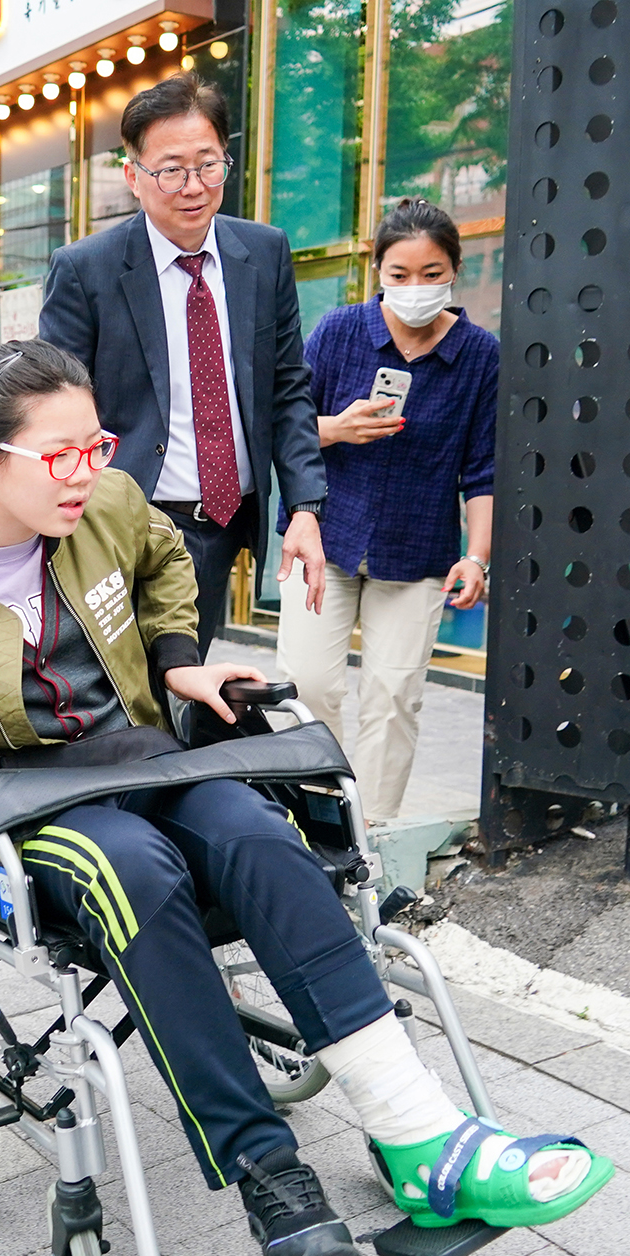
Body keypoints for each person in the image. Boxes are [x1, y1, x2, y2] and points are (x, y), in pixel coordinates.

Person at [0, 340, 613, 1256]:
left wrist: (178, 657)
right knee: (136, 871)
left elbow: (163, 565)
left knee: (265, 839)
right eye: (58, 455)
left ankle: (419, 1134)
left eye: (94, 444)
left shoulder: (107, 505)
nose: (86, 472)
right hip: (22, 794)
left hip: (144, 749)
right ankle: (271, 1178)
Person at [39, 73, 327, 654]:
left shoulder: (264, 252)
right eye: (171, 169)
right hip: (125, 523)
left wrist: (305, 506)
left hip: (224, 521)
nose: (192, 186)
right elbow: (55, 405)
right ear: (133, 176)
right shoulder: (85, 269)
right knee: (128, 688)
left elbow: (287, 388)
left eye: (209, 164)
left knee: (187, 685)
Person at [274, 199, 498, 821]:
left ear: (454, 271)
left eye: (432, 274)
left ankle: (371, 834)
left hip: (417, 549)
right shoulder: (339, 333)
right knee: (308, 688)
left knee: (394, 697)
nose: (416, 288)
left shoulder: (481, 355)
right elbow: (286, 430)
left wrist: (476, 556)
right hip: (322, 536)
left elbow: (483, 469)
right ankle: (316, 819)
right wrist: (336, 428)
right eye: (400, 274)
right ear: (378, 273)